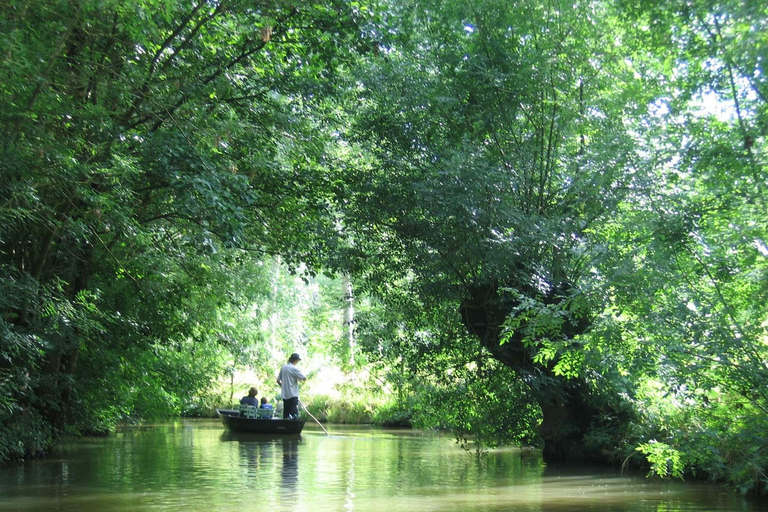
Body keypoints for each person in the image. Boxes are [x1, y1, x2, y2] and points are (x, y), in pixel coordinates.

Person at [276, 353, 306, 420]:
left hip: (285, 395)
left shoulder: (283, 368)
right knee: (294, 415)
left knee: (286, 415)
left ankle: (285, 428)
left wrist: (283, 387)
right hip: (293, 395)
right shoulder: (294, 368)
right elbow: (304, 378)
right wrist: (298, 379)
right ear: (295, 360)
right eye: (298, 360)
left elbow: (278, 380)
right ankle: (293, 429)